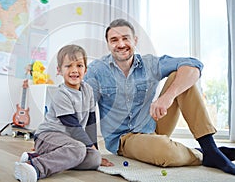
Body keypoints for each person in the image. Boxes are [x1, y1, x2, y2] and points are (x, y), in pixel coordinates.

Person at [84, 18, 235, 175]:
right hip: (125, 139)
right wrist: (92, 150)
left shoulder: (150, 64)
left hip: (153, 124)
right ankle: (205, 153)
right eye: (114, 40)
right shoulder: (96, 71)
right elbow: (88, 111)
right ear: (108, 44)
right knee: (166, 153)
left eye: (125, 38)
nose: (121, 44)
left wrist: (168, 97)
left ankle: (209, 147)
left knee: (180, 74)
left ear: (135, 40)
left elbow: (194, 65)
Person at [14, 44, 113, 182]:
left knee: (94, 159)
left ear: (86, 69)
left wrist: (95, 150)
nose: (74, 70)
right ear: (59, 70)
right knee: (78, 148)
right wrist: (89, 146)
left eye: (79, 65)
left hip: (69, 141)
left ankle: (37, 156)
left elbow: (91, 122)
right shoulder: (62, 94)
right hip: (47, 136)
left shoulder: (89, 91)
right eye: (68, 66)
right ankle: (36, 166)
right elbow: (72, 126)